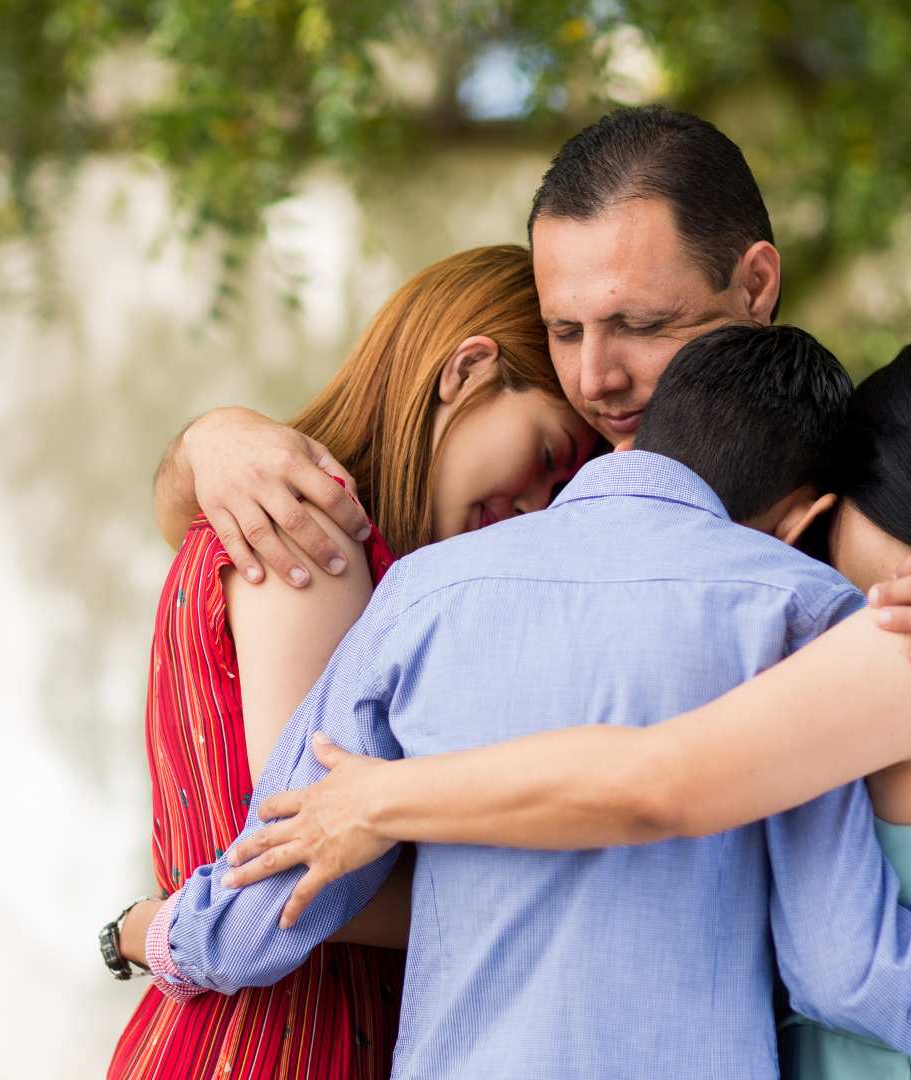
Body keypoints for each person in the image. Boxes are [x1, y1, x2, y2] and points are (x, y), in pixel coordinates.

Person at [142, 324, 911, 1080]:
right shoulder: (806, 616)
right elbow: (844, 966)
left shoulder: (421, 590)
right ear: (808, 515)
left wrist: (137, 932)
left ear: (633, 440)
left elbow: (263, 900)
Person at [149, 105, 911, 787]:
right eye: (566, 329)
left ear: (755, 284)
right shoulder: (549, 484)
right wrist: (210, 443)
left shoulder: (865, 480)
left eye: (641, 325)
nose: (596, 377)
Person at [101, 245, 594, 1080]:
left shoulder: (301, 522)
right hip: (292, 1041)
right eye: (547, 458)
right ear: (468, 370)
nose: (535, 508)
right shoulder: (314, 539)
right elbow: (301, 870)